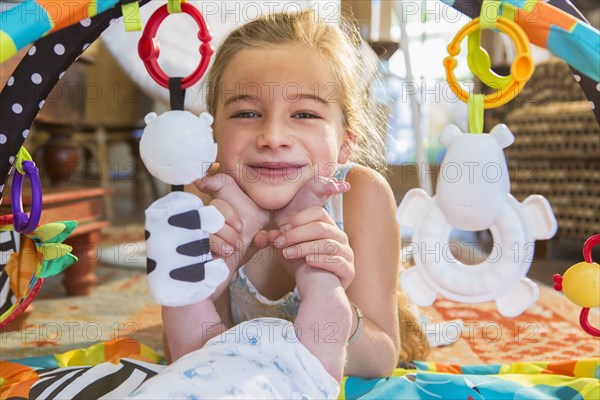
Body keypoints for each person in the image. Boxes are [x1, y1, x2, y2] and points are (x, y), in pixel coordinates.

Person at [163, 9, 429, 379]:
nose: (273, 137)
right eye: (245, 113)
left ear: (345, 143)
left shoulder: (359, 196)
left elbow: (381, 360)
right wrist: (207, 281)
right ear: (213, 135)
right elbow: (187, 356)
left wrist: (332, 294)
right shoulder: (202, 199)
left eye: (304, 114)